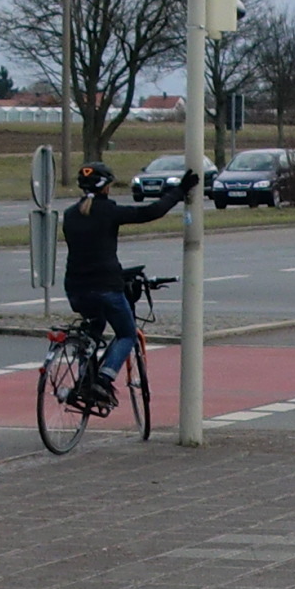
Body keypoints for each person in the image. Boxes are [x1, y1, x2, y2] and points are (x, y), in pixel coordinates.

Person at [61, 160, 189, 408]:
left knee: (92, 330)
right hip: (105, 286)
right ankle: (105, 377)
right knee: (127, 333)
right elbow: (151, 212)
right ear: (105, 187)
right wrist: (179, 191)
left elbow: (87, 251)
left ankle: (85, 381)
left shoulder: (69, 215)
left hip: (75, 288)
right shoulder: (109, 211)